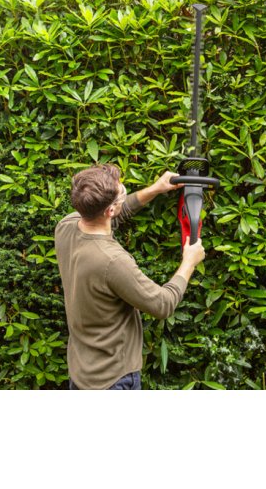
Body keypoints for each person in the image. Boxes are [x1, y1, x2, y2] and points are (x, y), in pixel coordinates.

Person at [55, 163, 205, 390]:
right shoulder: (112, 261)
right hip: (113, 378)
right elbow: (162, 304)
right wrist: (189, 262)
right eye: (121, 192)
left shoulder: (66, 226)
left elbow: (113, 215)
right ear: (109, 210)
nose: (123, 193)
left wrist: (155, 189)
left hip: (81, 373)